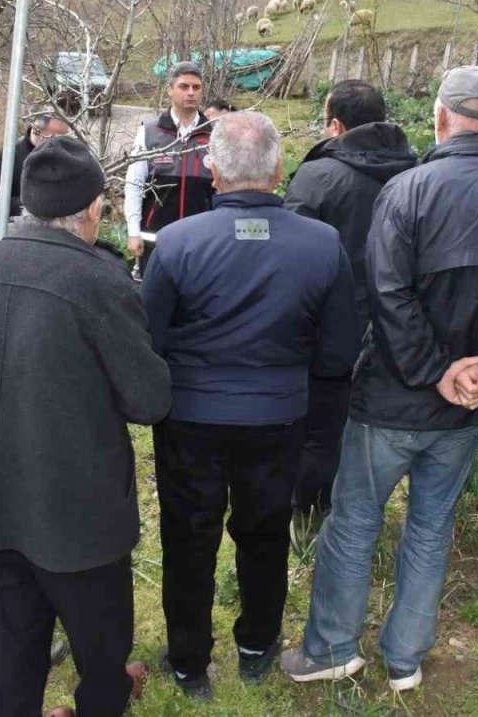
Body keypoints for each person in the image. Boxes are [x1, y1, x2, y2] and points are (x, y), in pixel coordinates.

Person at [282, 68, 478, 693]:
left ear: (439, 116)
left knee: (354, 521)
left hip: (391, 400)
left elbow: (386, 295)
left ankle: (331, 647)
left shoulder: (408, 192)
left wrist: (438, 371)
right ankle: (405, 657)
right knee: (432, 527)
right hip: (464, 407)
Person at [0, 137, 169, 717]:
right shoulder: (100, 281)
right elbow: (149, 399)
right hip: (80, 516)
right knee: (102, 647)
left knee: (14, 642)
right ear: (92, 208)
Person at [141, 111, 359, 700]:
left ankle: (189, 660)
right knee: (263, 534)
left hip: (190, 419)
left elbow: (149, 339)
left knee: (189, 539)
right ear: (280, 169)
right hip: (278, 416)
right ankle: (257, 646)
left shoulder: (178, 242)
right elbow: (339, 350)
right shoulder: (323, 244)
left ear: (213, 171)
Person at [283, 80, 415, 525]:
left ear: (335, 125)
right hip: (400, 322)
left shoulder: (318, 176)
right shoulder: (414, 172)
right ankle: (363, 506)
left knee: (319, 429)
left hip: (328, 327)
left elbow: (291, 258)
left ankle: (310, 516)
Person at [123, 61, 212, 265]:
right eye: (183, 86)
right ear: (170, 90)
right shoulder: (149, 131)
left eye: (196, 87)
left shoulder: (214, 134)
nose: (191, 92)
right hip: (156, 238)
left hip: (202, 240)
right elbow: (134, 184)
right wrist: (134, 232)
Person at [0, 112, 68, 220]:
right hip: (18, 228)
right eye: (54, 137)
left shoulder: (66, 157)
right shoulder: (7, 156)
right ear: (37, 131)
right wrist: (33, 205)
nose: (61, 145)